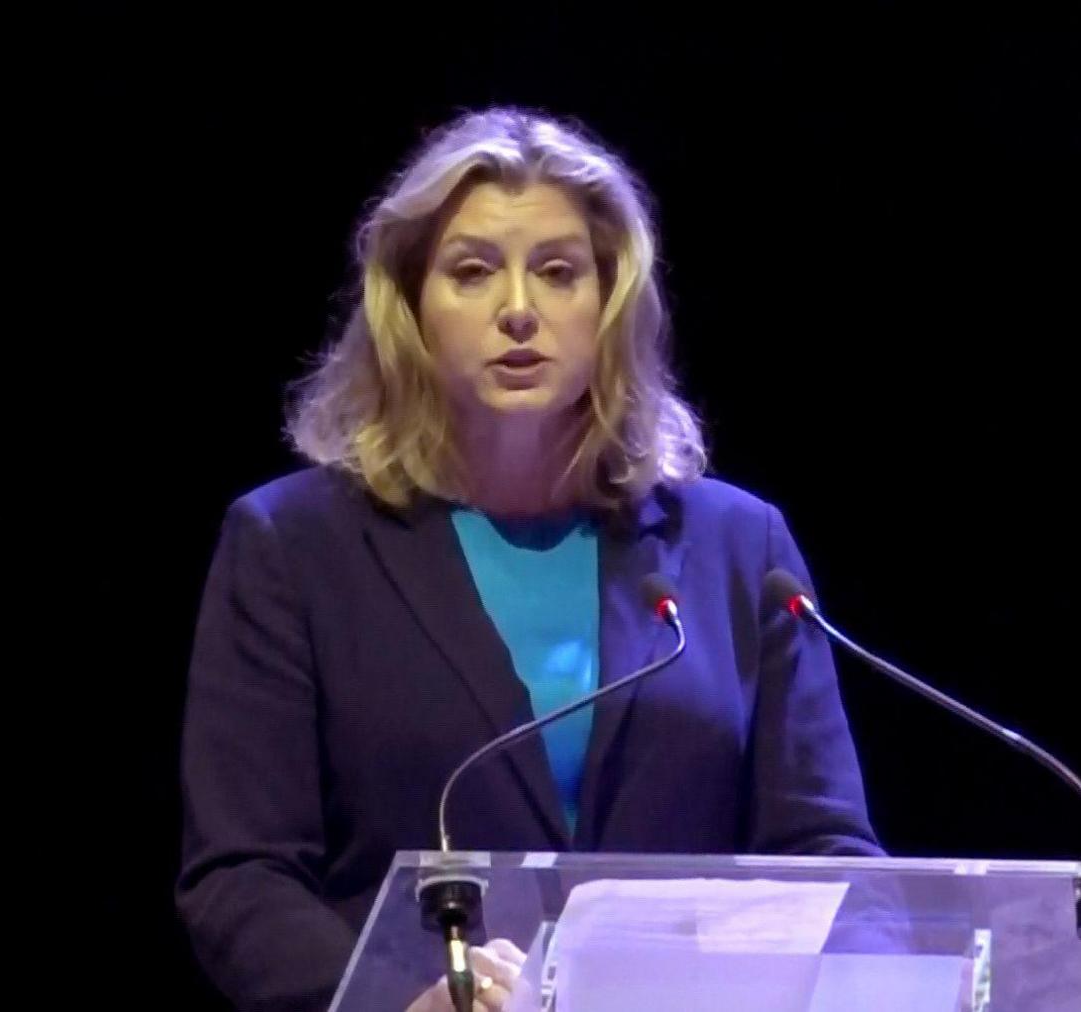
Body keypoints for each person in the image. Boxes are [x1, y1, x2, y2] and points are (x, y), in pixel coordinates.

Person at [175, 106, 883, 1012]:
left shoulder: (742, 550)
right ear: (411, 307)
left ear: (610, 303)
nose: (518, 310)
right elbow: (243, 874)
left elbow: (832, 859)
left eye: (558, 272)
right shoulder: (294, 547)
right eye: (472, 272)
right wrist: (400, 999)